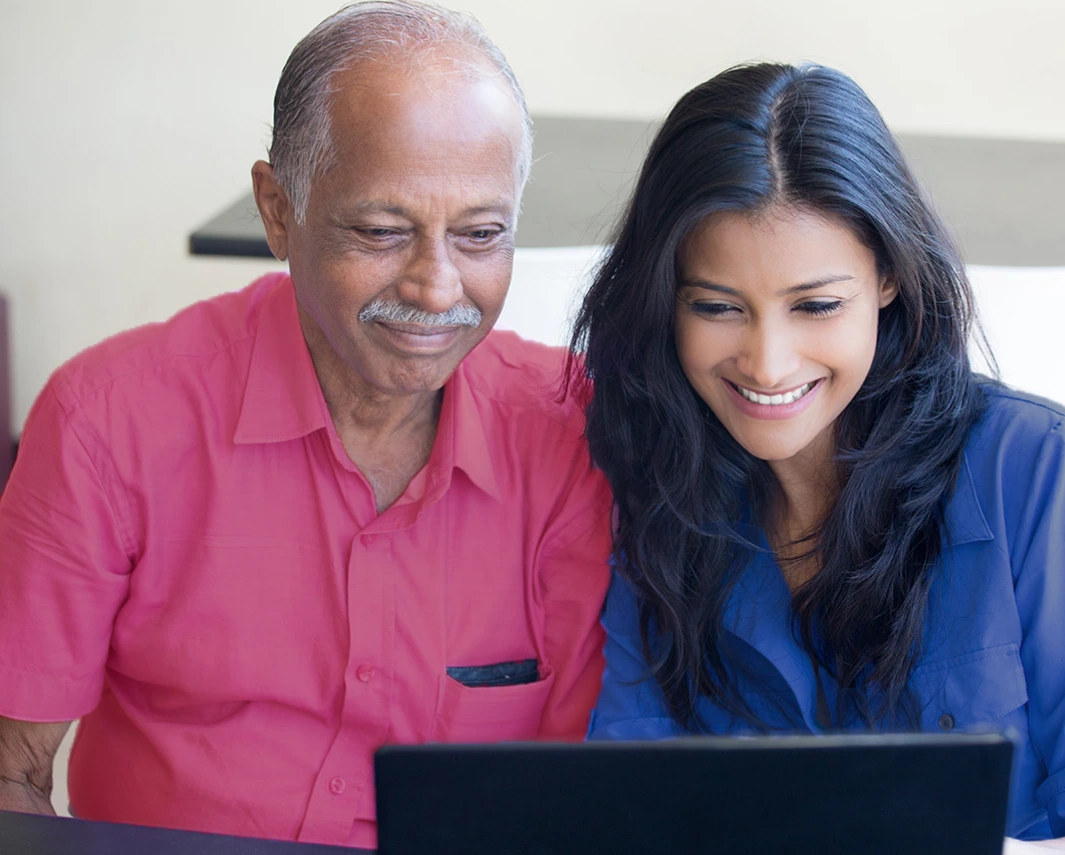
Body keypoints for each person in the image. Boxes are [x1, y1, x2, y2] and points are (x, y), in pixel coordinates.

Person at [0, 2, 610, 847]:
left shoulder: (576, 433)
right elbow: (11, 771)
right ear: (277, 210)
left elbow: (593, 789)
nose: (438, 288)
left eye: (480, 234)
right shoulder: (105, 422)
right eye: (382, 230)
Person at [572, 62, 1065, 852]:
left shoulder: (1044, 471)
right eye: (717, 307)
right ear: (665, 301)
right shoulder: (648, 494)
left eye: (816, 305)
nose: (768, 364)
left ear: (887, 279)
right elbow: (629, 809)